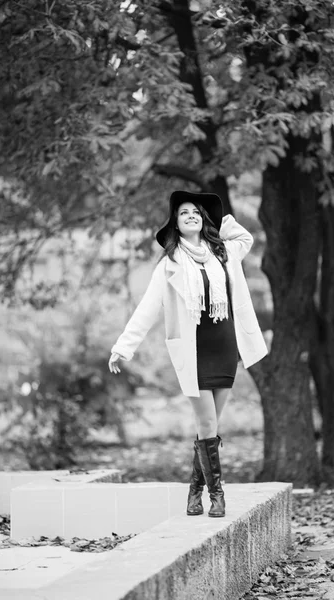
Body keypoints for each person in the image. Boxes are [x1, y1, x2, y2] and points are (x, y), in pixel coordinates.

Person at [108, 190, 268, 518]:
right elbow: (148, 308)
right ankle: (216, 495)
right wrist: (124, 347)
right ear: (175, 224)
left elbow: (245, 236)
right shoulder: (169, 265)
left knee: (208, 425)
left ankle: (193, 490)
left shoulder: (224, 253)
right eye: (184, 213)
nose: (191, 216)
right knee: (207, 421)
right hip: (194, 351)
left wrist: (216, 218)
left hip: (225, 347)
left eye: (196, 212)